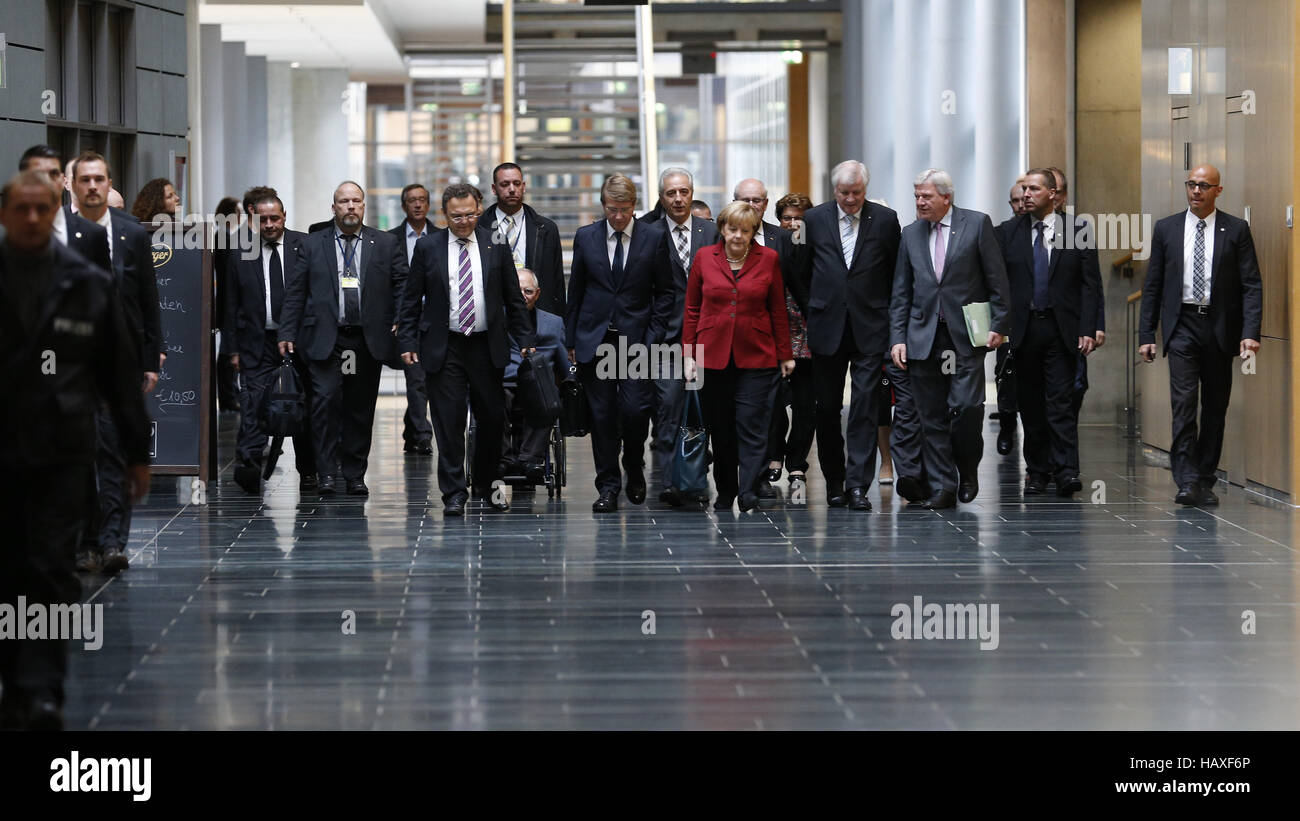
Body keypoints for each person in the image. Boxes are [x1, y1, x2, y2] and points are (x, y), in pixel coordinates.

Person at [0, 170, 151, 730]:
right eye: (23, 209)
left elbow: (118, 372)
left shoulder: (85, 283)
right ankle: (14, 678)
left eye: (44, 208)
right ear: (6, 215)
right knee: (9, 568)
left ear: (55, 212)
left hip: (63, 450)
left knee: (49, 569)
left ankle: (41, 687)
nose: (35, 218)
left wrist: (137, 453)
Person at [398, 183, 534, 515]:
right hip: (446, 346)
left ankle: (487, 486)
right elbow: (411, 298)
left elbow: (513, 298)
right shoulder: (429, 247)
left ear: (479, 210)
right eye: (456, 216)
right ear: (444, 214)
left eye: (470, 214)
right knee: (448, 421)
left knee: (490, 419)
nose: (464, 222)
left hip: (487, 346)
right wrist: (407, 340)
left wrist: (526, 339)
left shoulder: (495, 243)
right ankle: (454, 492)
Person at [1139, 163, 1262, 506]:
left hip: (1220, 328)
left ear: (1218, 191)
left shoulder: (1236, 230)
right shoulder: (1167, 229)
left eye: (1204, 186)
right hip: (1182, 326)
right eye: (1191, 184)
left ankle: (1205, 478)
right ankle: (1186, 478)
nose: (1196, 191)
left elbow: (1251, 283)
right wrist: (1146, 333)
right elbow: (1153, 286)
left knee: (1215, 407)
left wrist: (1251, 332)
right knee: (1183, 404)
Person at [279, 181, 408, 496]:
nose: (350, 207)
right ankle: (326, 473)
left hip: (366, 339)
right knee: (323, 405)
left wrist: (401, 320)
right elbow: (296, 291)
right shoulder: (311, 245)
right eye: (343, 202)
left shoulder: (386, 243)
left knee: (360, 408)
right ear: (333, 207)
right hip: (326, 338)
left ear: (364, 206)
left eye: (356, 201)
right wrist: (286, 331)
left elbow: (403, 283)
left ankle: (353, 474)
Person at [890, 168, 1009, 509]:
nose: (920, 202)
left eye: (926, 196)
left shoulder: (976, 224)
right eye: (916, 196)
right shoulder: (910, 234)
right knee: (931, 416)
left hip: (966, 336)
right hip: (922, 336)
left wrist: (999, 324)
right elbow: (902, 291)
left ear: (947, 197)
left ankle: (967, 467)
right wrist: (898, 337)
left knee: (966, 409)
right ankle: (944, 486)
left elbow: (996, 280)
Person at [69, 151, 162, 574]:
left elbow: (147, 299)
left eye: (99, 179)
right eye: (84, 179)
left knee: (115, 453)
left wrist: (150, 357)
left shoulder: (130, 233)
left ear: (109, 183)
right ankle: (84, 542)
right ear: (72, 185)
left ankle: (112, 543)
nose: (92, 186)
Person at [564, 173, 674, 513]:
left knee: (635, 410)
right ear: (603, 206)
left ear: (634, 207)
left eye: (624, 209)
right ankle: (608, 486)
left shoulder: (653, 237)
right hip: (595, 340)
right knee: (602, 415)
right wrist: (571, 339)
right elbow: (577, 290)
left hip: (636, 341)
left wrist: (652, 336)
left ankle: (634, 462)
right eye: (612, 209)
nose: (618, 216)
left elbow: (666, 293)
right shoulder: (586, 237)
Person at [797, 160, 901, 510]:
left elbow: (894, 272)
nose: (851, 199)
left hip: (870, 327)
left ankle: (858, 485)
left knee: (864, 407)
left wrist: (886, 314)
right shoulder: (813, 220)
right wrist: (815, 307)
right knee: (826, 409)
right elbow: (799, 270)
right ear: (834, 191)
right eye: (844, 193)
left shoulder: (886, 221)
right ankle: (835, 483)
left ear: (865, 190)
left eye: (857, 192)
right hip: (826, 327)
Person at [683, 201, 794, 512]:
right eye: (732, 229)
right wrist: (689, 354)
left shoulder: (768, 259)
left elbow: (777, 310)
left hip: (756, 356)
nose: (737, 236)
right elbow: (691, 309)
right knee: (721, 430)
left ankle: (748, 490)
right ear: (722, 228)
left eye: (745, 231)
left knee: (753, 426)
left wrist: (785, 354)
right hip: (712, 356)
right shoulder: (705, 257)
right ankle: (726, 490)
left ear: (753, 232)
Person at [1000, 168, 1101, 497]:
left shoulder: (1077, 230)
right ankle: (1037, 471)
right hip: (1025, 329)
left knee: (1060, 402)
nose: (1026, 195)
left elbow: (1090, 284)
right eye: (1024, 189)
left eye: (1034, 189)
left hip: (1062, 329)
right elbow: (997, 284)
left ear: (1054, 196)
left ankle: (1067, 470)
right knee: (1030, 404)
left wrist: (1090, 326)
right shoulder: (1008, 233)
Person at [224, 192, 318, 494]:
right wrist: (232, 348)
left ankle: (310, 471)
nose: (268, 225)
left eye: (274, 218)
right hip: (256, 341)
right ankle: (249, 464)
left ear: (284, 216)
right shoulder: (241, 251)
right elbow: (230, 303)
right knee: (252, 404)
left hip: (299, 341)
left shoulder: (304, 245)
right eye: (262, 219)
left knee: (303, 405)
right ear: (254, 220)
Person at [649, 167, 719, 507]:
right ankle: (669, 481)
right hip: (665, 339)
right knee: (667, 408)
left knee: (704, 410)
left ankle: (696, 477)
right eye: (670, 193)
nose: (678, 198)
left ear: (692, 193)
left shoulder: (712, 231)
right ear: (662, 197)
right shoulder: (648, 233)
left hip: (709, 337)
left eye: (684, 192)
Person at [763, 193, 817, 495]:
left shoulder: (816, 244)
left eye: (799, 217)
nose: (793, 223)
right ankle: (775, 455)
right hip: (777, 333)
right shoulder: (773, 244)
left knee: (805, 404)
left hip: (809, 334)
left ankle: (797, 462)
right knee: (774, 402)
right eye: (787, 217)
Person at [1046, 168, 1108, 425]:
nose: (1053, 197)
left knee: (1076, 386)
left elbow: (1091, 282)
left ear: (1064, 195)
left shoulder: (1077, 229)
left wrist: (1096, 325)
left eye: (1058, 192)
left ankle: (1064, 447)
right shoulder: (1018, 231)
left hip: (1069, 326)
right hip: (1035, 326)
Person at [501, 268, 567, 488]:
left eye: (528, 291)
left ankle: (531, 459)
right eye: (517, 290)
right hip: (506, 383)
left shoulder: (554, 324)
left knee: (549, 398)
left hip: (538, 387)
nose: (522, 295)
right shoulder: (496, 319)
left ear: (537, 294)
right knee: (492, 397)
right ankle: (504, 459)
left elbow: (564, 365)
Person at [480, 162, 566, 317]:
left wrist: (559, 322)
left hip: (537, 314)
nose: (512, 189)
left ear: (524, 186)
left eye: (516, 183)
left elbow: (557, 282)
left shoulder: (546, 228)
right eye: (505, 184)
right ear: (494, 189)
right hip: (492, 315)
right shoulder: (480, 227)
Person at [388, 183, 435, 456]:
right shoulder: (390, 240)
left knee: (426, 379)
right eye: (412, 201)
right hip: (407, 320)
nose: (417, 205)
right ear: (404, 206)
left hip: (436, 320)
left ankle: (411, 428)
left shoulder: (442, 236)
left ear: (428, 204)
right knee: (416, 377)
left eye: (422, 200)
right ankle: (422, 433)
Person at [18, 145, 111, 273]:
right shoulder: (13, 236)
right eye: (38, 175)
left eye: (53, 174)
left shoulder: (93, 234)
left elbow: (104, 289)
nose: (47, 181)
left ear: (63, 181)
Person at [992, 175, 1029, 455]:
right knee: (1006, 372)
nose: (1019, 205)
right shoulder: (1001, 233)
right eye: (1014, 201)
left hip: (1036, 315)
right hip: (1009, 316)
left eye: (1022, 199)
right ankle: (1006, 424)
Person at [213, 196, 243, 415]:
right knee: (227, 353)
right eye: (238, 211)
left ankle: (229, 395)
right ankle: (228, 396)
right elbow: (225, 278)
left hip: (225, 304)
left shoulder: (226, 237)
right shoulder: (223, 238)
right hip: (226, 304)